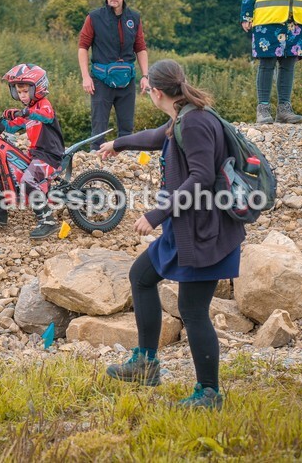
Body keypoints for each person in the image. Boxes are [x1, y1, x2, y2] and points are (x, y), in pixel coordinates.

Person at [98, 59, 246, 410]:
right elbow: (158, 137)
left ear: (157, 92)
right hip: (185, 228)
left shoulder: (194, 123)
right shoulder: (185, 116)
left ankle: (209, 393)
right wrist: (118, 144)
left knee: (192, 311)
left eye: (147, 87)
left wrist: (156, 214)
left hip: (204, 233)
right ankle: (145, 364)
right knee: (142, 277)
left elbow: (201, 178)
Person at [78, 0, 149, 150]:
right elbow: (83, 47)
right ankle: (95, 163)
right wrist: (85, 76)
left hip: (127, 79)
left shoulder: (134, 18)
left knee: (127, 126)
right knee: (99, 127)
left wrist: (145, 76)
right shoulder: (94, 17)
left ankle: (125, 160)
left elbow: (140, 48)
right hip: (101, 80)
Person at [0, 63, 65, 239]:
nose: (22, 95)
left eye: (25, 91)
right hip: (36, 154)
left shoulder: (44, 105)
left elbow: (45, 115)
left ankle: (48, 221)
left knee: (28, 180)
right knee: (4, 171)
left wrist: (24, 112)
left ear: (38, 88)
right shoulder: (28, 113)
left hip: (50, 155)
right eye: (18, 92)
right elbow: (11, 127)